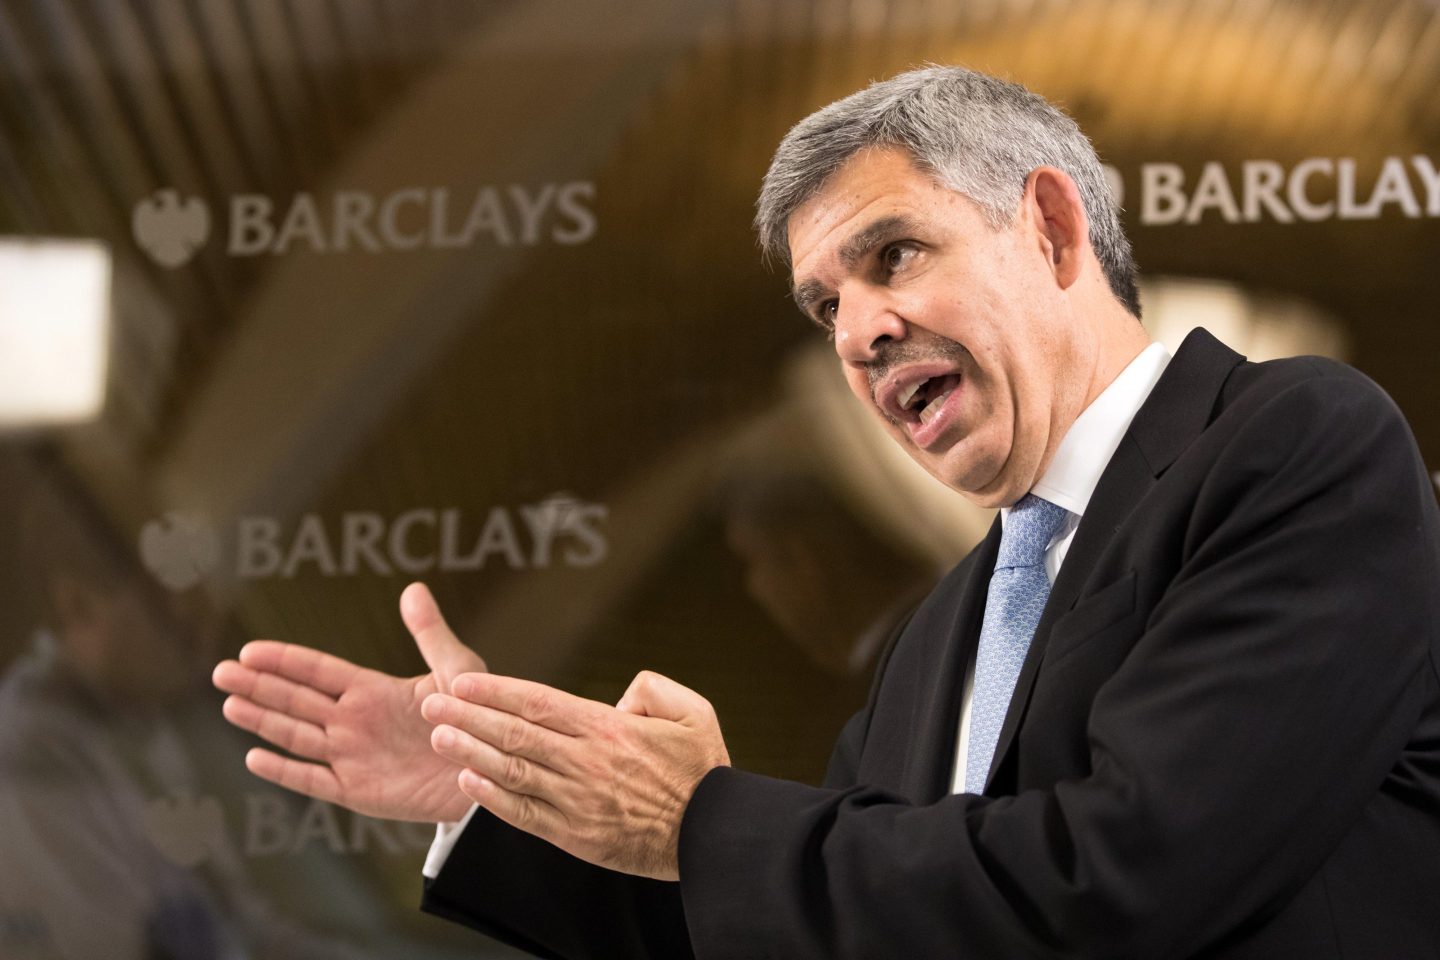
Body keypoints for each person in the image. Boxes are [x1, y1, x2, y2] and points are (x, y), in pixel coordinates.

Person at [213, 65, 1440, 958]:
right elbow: (828, 921)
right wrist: (517, 801)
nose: (856, 333)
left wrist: (699, 817)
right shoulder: (942, 628)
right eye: (824, 305)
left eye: (893, 255)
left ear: (1054, 227)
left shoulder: (1294, 447)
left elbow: (1131, 881)